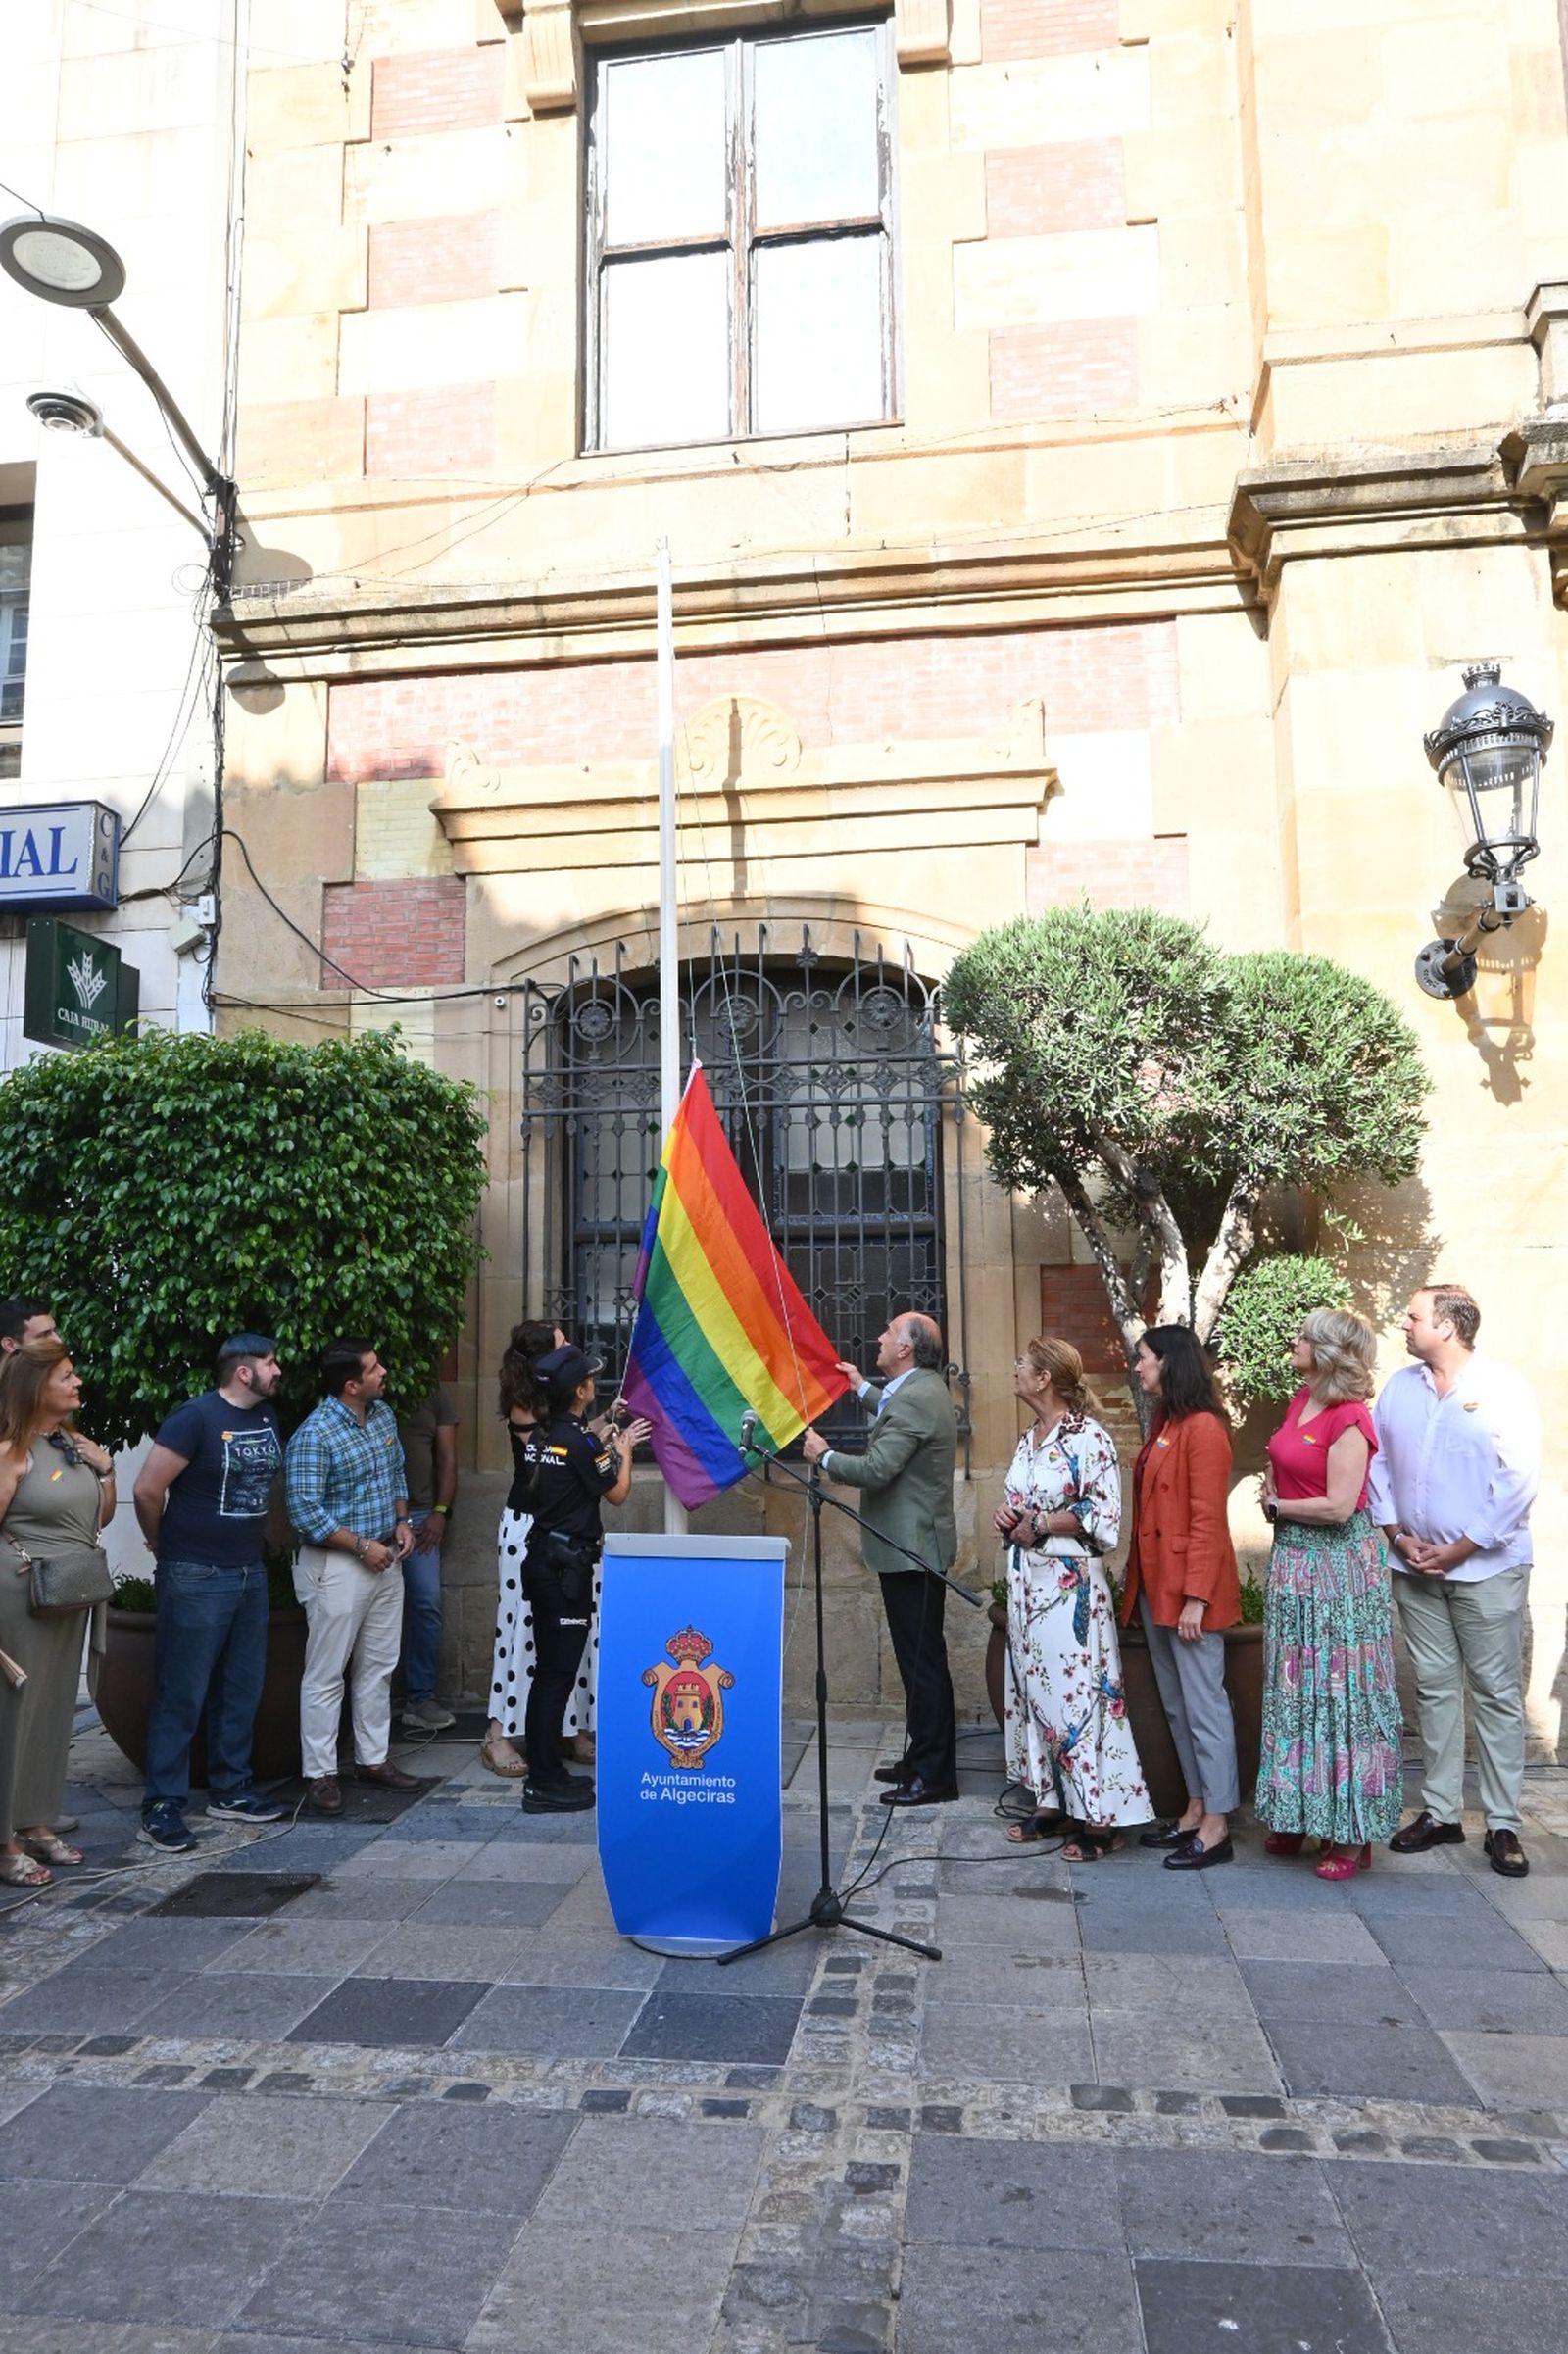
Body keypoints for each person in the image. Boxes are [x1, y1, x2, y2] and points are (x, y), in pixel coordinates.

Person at [1369, 1283, 1541, 1878]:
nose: (1404, 1323)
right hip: (1414, 1565)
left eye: (1413, 1316)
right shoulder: (1398, 1388)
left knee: (1495, 1694)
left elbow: (1518, 1480)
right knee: (1435, 1689)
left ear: (1447, 1325)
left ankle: (1502, 1824)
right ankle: (1441, 1812)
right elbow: (1378, 1463)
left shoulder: (1502, 1389)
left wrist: (1462, 1547)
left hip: (1487, 1566)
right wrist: (1395, 1533)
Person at [1255, 1309, 1402, 1880]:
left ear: (1328, 1352)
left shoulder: (1350, 1418)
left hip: (1339, 1569)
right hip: (1294, 1563)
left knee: (1339, 1694)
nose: (1294, 1341)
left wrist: (1277, 1506)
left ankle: (1349, 1832)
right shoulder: (1302, 1399)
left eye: (1304, 1338)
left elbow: (1342, 1505)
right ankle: (1295, 1811)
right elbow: (1294, 1468)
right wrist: (1278, 1492)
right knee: (1294, 1690)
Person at [995, 1337, 1152, 1859]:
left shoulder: (1091, 1440)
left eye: (1023, 1362)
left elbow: (1103, 1517)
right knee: (1034, 1692)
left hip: (1070, 1591)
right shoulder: (1028, 1439)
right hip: (1026, 1586)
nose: (1015, 1367)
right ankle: (1051, 1802)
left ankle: (1099, 1818)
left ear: (1044, 1378)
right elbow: (1021, 1502)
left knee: (1078, 1696)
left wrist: (1038, 1522)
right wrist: (1009, 1518)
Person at [132, 1333, 290, 1852]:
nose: (278, 1370)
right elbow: (147, 1489)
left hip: (247, 1572)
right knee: (182, 1689)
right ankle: (161, 1805)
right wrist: (159, 1541)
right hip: (195, 1573)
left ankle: (232, 1788)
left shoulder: (266, 1419)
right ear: (243, 1372)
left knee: (241, 1686)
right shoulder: (193, 1418)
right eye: (269, 1363)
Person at [803, 1312, 959, 1808]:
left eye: (889, 1332)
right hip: (909, 1548)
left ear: (907, 1349)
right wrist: (860, 1388)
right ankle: (921, 1758)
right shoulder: (918, 1390)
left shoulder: (916, 1398)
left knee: (922, 1665)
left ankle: (935, 1775)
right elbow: (894, 1411)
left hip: (912, 1551)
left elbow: (878, 1467)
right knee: (917, 1662)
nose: (880, 1336)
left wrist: (825, 1457)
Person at [284, 1338, 423, 1816]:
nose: (383, 1372)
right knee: (326, 1671)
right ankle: (320, 1773)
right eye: (374, 1368)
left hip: (386, 1556)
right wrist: (362, 1547)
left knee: (379, 1666)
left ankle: (373, 1760)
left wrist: (403, 1522)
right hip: (339, 1564)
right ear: (350, 1385)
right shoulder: (315, 1434)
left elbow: (396, 1474)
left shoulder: (382, 1417)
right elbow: (303, 1512)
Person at [1122, 1324, 1241, 1871]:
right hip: (1156, 1588)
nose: (1139, 1366)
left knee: (1204, 1706)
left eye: (1144, 1358)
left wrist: (1197, 1597)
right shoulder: (1167, 1424)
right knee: (1177, 1704)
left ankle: (1218, 1823)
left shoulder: (1204, 1429)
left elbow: (1207, 1520)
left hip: (1189, 1595)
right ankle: (1195, 1807)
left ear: (1169, 1363)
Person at [514, 1343, 649, 1813]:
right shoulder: (582, 1443)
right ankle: (543, 1782)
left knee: (548, 1673)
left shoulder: (543, 1436)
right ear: (581, 1390)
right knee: (556, 1676)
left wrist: (603, 1436)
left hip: (543, 1561)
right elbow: (617, 1493)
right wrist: (625, 1449)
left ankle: (547, 1772)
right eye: (590, 1379)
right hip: (564, 1568)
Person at [0, 1340, 115, 1887]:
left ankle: (36, 1822)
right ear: (34, 1386)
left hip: (67, 1592)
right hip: (19, 1596)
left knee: (52, 1713)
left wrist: (107, 1468)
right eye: (65, 1376)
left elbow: (100, 1518)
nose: (77, 1383)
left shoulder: (72, 1444)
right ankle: (4, 1842)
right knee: (14, 1717)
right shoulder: (10, 1450)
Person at [481, 1320, 559, 1780]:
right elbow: (547, 1455)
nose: (568, 1343)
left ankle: (568, 1728)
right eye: (559, 1342)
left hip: (563, 1522)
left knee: (572, 1631)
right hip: (527, 1526)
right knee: (519, 1628)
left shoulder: (557, 1396)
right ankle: (497, 1734)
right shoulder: (524, 1403)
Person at [395, 1375, 459, 1733]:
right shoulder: (366, 1387)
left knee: (426, 1604)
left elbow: (448, 1458)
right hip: (369, 1515)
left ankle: (420, 1697)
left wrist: (441, 1511)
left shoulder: (432, 1389)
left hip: (421, 1515)